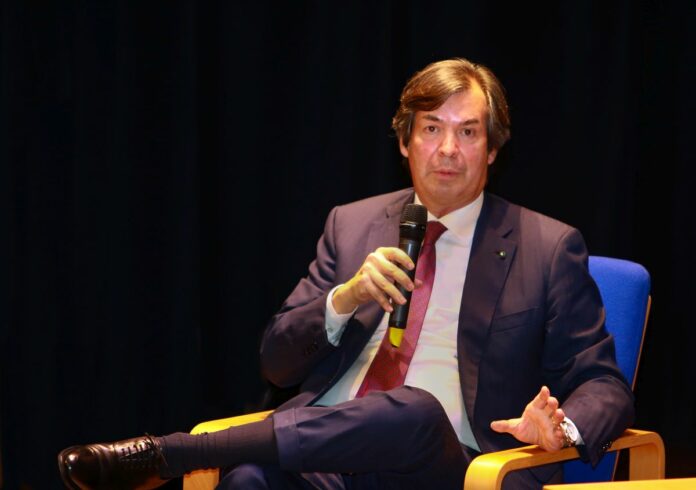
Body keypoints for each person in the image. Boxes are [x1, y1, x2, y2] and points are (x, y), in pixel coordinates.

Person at [58, 58, 634, 490]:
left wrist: (562, 428)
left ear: (492, 150)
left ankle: (172, 453)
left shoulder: (546, 247)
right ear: (405, 141)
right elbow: (276, 363)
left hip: (452, 466)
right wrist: (344, 298)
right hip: (323, 459)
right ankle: (192, 455)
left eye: (468, 132)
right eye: (431, 128)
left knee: (415, 408)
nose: (447, 149)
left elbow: (604, 384)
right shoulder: (353, 224)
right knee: (249, 480)